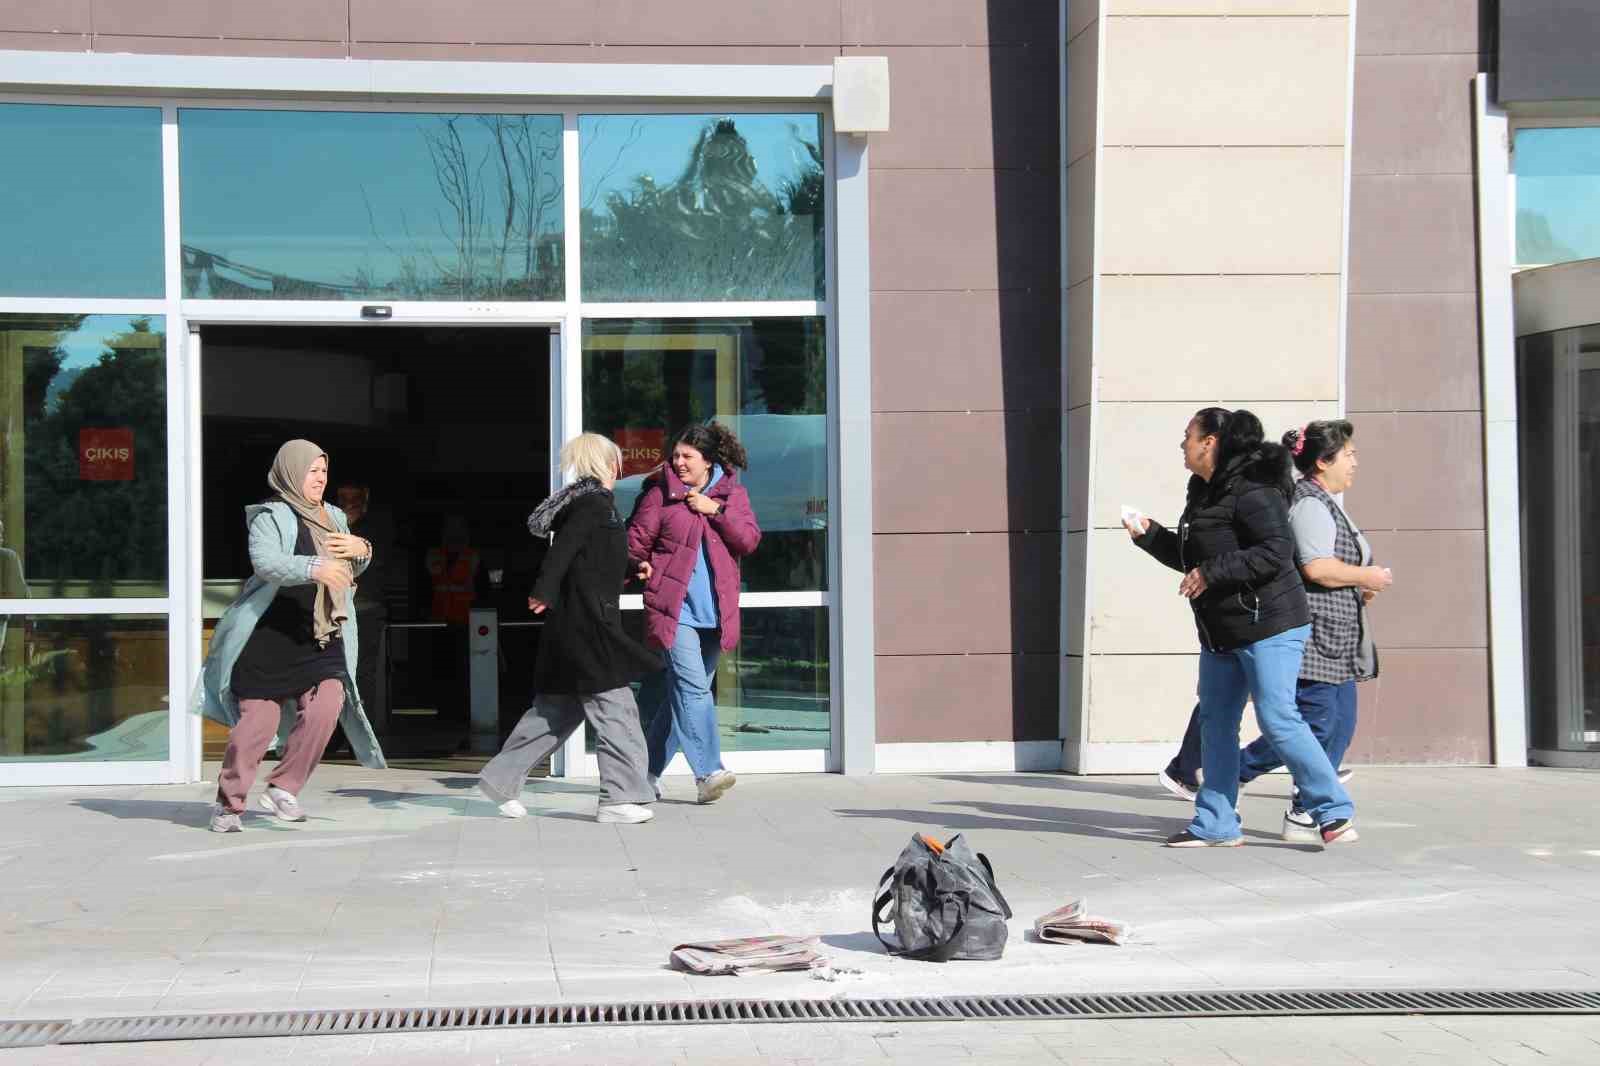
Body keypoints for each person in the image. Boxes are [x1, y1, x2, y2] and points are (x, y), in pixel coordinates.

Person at [1126, 408, 1356, 847]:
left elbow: (1276, 550)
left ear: (1210, 441)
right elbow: (1194, 557)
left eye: (1188, 436)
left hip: (1270, 623)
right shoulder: (1203, 491)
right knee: (1216, 722)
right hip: (1222, 631)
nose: (1183, 445)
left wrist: (1211, 574)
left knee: (1278, 718)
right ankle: (1216, 823)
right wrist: (1151, 535)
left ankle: (1334, 811)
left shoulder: (1253, 489)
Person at [194, 440, 383, 833]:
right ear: (291, 472)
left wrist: (361, 548)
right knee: (256, 725)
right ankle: (229, 803)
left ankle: (284, 787)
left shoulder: (333, 515)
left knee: (328, 704)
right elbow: (267, 563)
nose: (320, 478)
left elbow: (351, 566)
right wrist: (315, 567)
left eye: (324, 471)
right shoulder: (270, 516)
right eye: (312, 471)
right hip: (268, 634)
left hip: (318, 631)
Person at [477, 433, 663, 824]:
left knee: (555, 713)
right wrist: (544, 590)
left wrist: (632, 566)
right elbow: (563, 551)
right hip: (588, 627)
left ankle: (499, 779)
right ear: (612, 465)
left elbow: (591, 554)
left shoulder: (592, 506)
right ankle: (618, 798)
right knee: (617, 710)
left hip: (577, 626)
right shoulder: (594, 505)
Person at [627, 421, 761, 804]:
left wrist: (714, 509)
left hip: (715, 615)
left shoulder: (731, 495)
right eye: (676, 456)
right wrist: (638, 564)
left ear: (708, 461)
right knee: (693, 690)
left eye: (688, 456)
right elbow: (635, 541)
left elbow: (749, 539)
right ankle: (708, 772)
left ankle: (646, 775)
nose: (679, 462)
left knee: (681, 698)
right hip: (675, 611)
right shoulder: (660, 494)